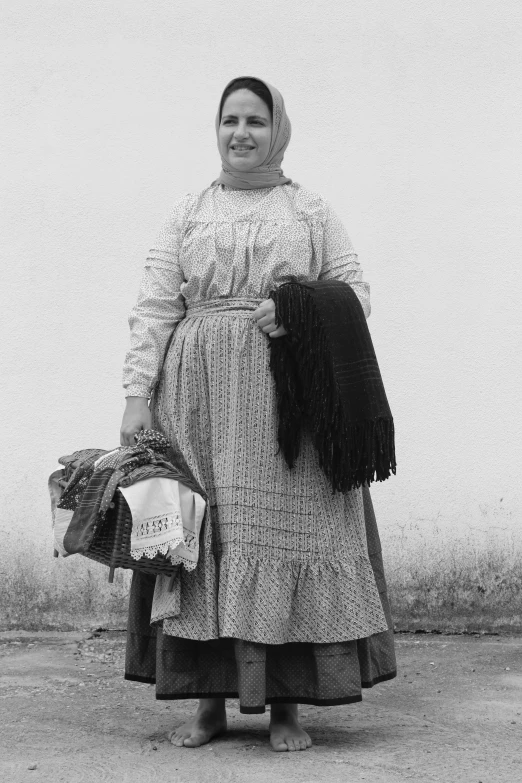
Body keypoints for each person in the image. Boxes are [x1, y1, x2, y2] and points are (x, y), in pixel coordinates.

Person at [120, 76, 396, 753]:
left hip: (289, 400)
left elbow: (355, 290)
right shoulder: (187, 211)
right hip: (198, 398)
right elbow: (156, 304)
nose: (241, 132)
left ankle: (286, 707)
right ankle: (207, 702)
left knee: (288, 537)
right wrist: (136, 395)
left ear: (279, 129)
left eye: (255, 120)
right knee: (198, 543)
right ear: (216, 129)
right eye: (230, 120)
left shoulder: (309, 210)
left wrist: (299, 307)